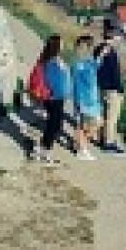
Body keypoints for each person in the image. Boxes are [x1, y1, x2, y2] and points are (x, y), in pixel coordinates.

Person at [27, 33, 72, 165]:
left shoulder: (50, 59)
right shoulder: (52, 61)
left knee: (54, 124)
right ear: (56, 46)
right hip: (54, 97)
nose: (63, 45)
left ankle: (42, 149)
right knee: (54, 125)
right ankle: (44, 151)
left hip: (54, 97)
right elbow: (53, 80)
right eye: (61, 43)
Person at [94, 19, 126, 153]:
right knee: (111, 117)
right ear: (113, 34)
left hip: (102, 86)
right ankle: (108, 143)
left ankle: (102, 138)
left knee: (104, 114)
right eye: (118, 34)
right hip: (112, 89)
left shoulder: (99, 48)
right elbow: (114, 73)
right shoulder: (108, 50)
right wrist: (120, 89)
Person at [70, 33, 102, 159]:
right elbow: (79, 81)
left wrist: (99, 58)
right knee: (87, 124)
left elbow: (95, 69)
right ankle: (81, 148)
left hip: (91, 98)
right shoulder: (79, 63)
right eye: (82, 46)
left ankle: (79, 145)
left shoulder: (88, 61)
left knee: (91, 123)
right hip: (84, 99)